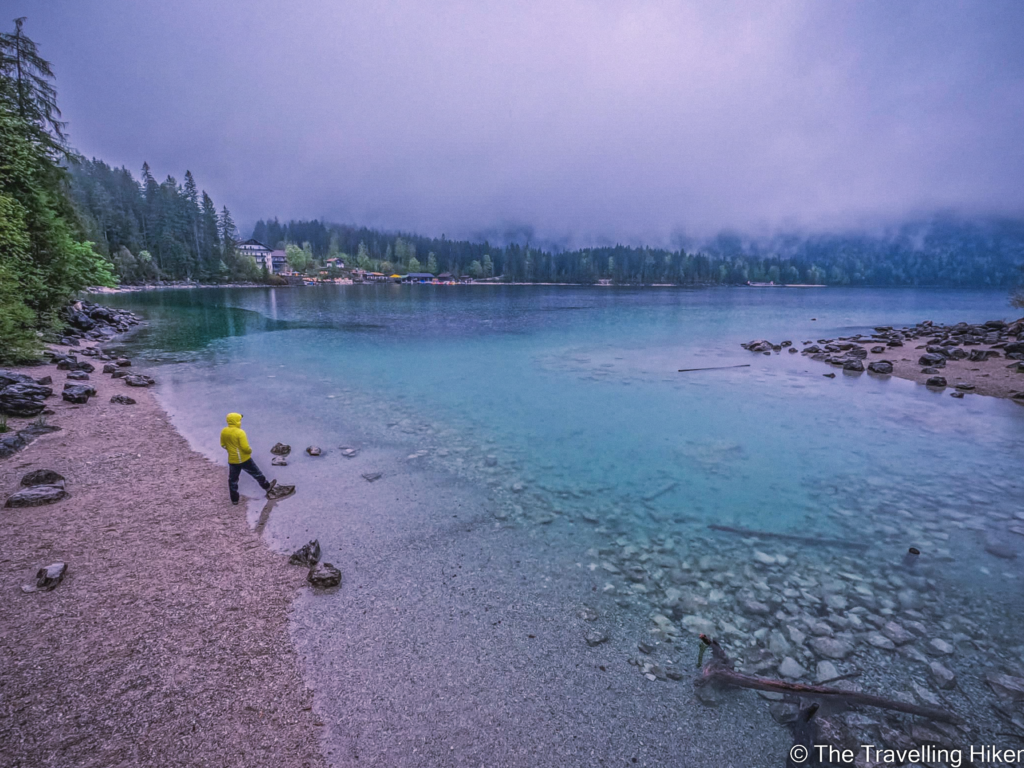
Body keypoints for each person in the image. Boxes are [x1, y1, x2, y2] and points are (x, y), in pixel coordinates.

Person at [220, 412, 276, 504]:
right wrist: (249, 451)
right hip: (244, 459)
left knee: (233, 480)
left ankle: (234, 500)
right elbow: (245, 447)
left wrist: (231, 450)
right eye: (239, 420)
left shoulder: (224, 431)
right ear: (236, 421)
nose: (240, 422)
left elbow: (223, 445)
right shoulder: (240, 432)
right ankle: (267, 487)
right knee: (257, 474)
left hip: (232, 460)